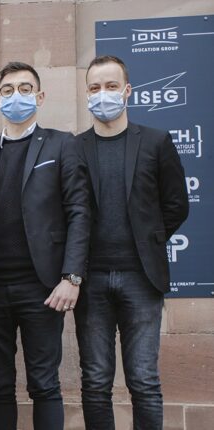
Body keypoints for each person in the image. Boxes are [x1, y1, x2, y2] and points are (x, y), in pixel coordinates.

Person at [0, 61, 90, 430]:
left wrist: (72, 276)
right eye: (7, 90)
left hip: (42, 287)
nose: (15, 97)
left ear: (39, 97)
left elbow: (79, 212)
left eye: (24, 89)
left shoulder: (61, 144)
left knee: (44, 383)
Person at [75, 55, 188, 429]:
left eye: (110, 86)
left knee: (143, 380)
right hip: (89, 282)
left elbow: (176, 205)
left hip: (142, 278)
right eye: (94, 88)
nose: (102, 94)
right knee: (94, 382)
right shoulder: (73, 148)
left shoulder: (156, 142)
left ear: (127, 90)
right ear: (87, 93)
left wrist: (148, 242)